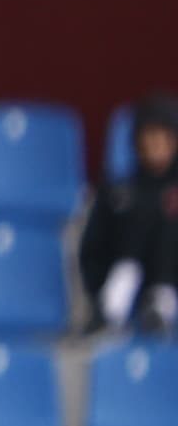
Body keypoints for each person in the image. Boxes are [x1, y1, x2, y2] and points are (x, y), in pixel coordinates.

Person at [80, 93, 178, 336]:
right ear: (137, 142)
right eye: (149, 136)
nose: (156, 144)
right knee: (137, 210)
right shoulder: (118, 191)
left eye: (163, 136)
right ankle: (120, 288)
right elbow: (92, 249)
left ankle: (163, 297)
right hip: (117, 285)